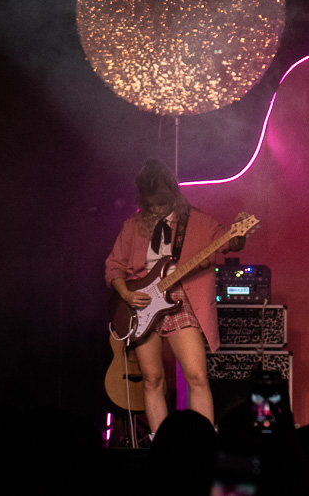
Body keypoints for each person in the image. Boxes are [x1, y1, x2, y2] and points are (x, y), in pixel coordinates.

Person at [105, 159, 245, 434]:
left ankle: (203, 440)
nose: (156, 209)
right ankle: (159, 443)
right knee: (153, 379)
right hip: (141, 302)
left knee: (197, 376)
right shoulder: (132, 226)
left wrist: (239, 235)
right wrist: (126, 294)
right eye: (151, 204)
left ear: (173, 194)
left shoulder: (198, 221)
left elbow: (228, 242)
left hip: (181, 296)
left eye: (161, 203)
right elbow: (113, 266)